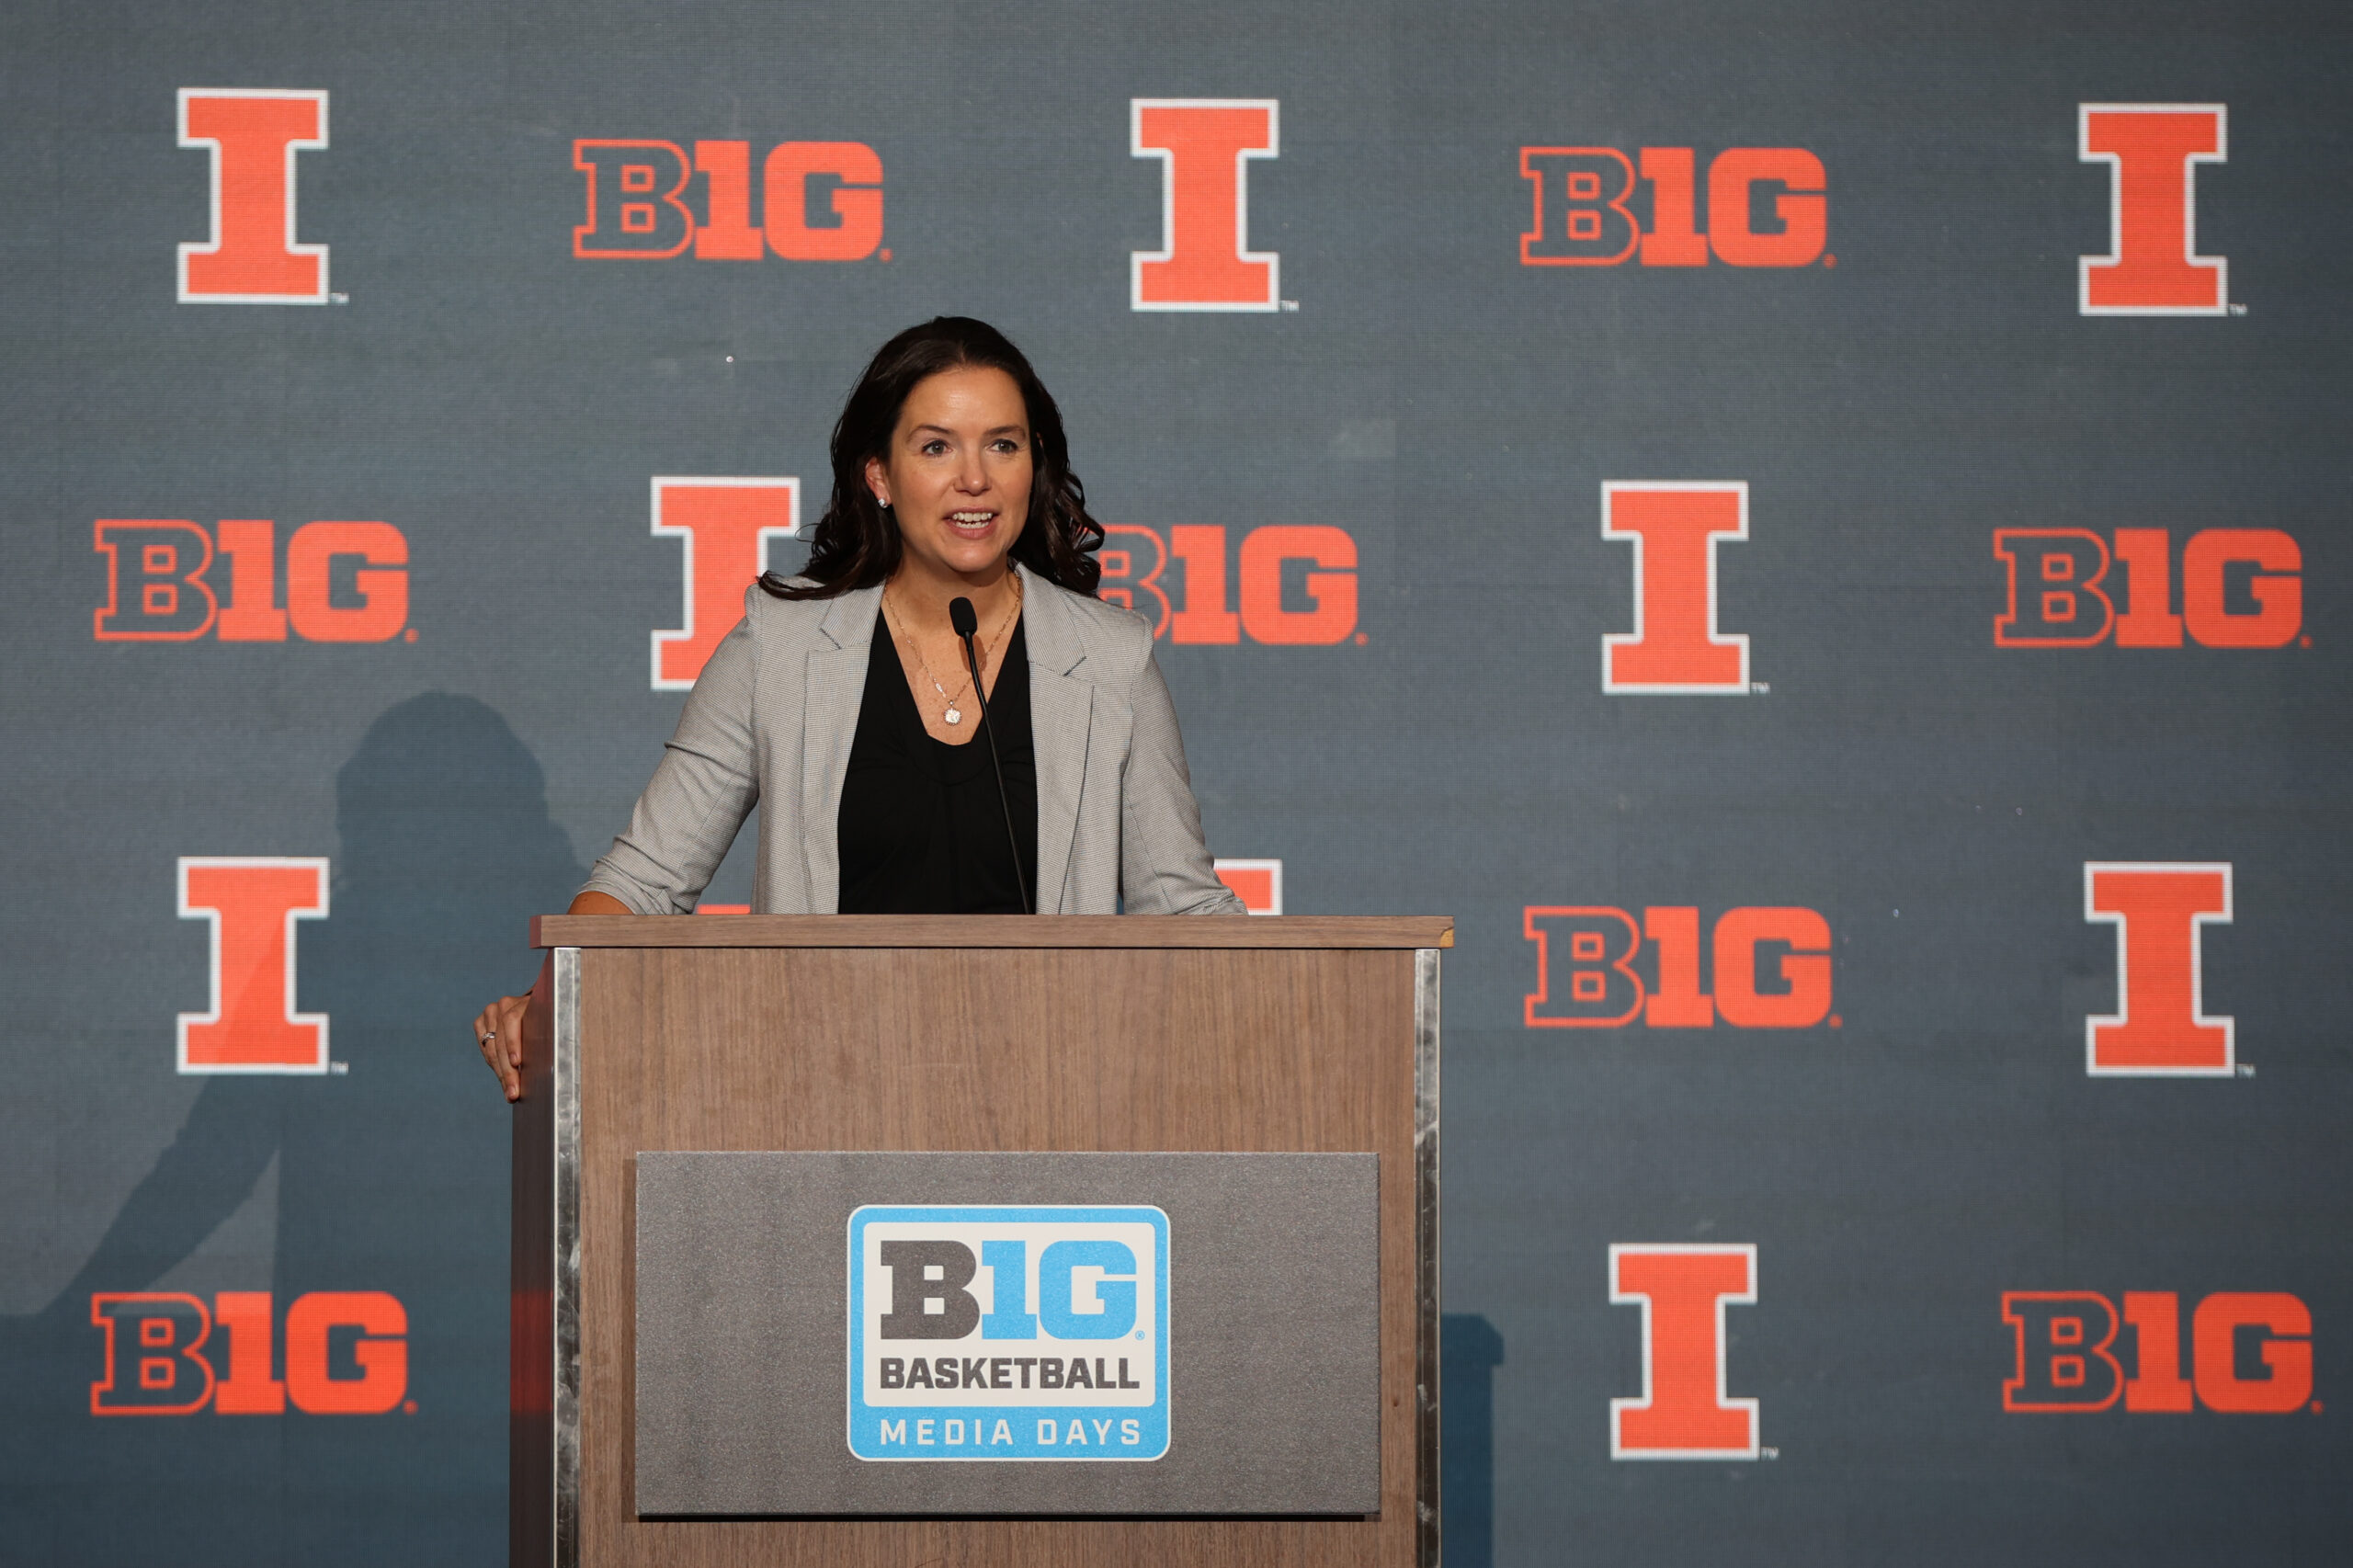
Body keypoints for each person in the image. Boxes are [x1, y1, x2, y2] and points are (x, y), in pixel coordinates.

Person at [474, 317, 1245, 1096]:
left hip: (1047, 1098)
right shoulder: (782, 645)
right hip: (823, 1097)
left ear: (1033, 465)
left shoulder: (1110, 659)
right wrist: (546, 1005)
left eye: (1003, 444)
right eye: (936, 446)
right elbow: (646, 881)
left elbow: (1182, 909)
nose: (973, 478)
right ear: (879, 476)